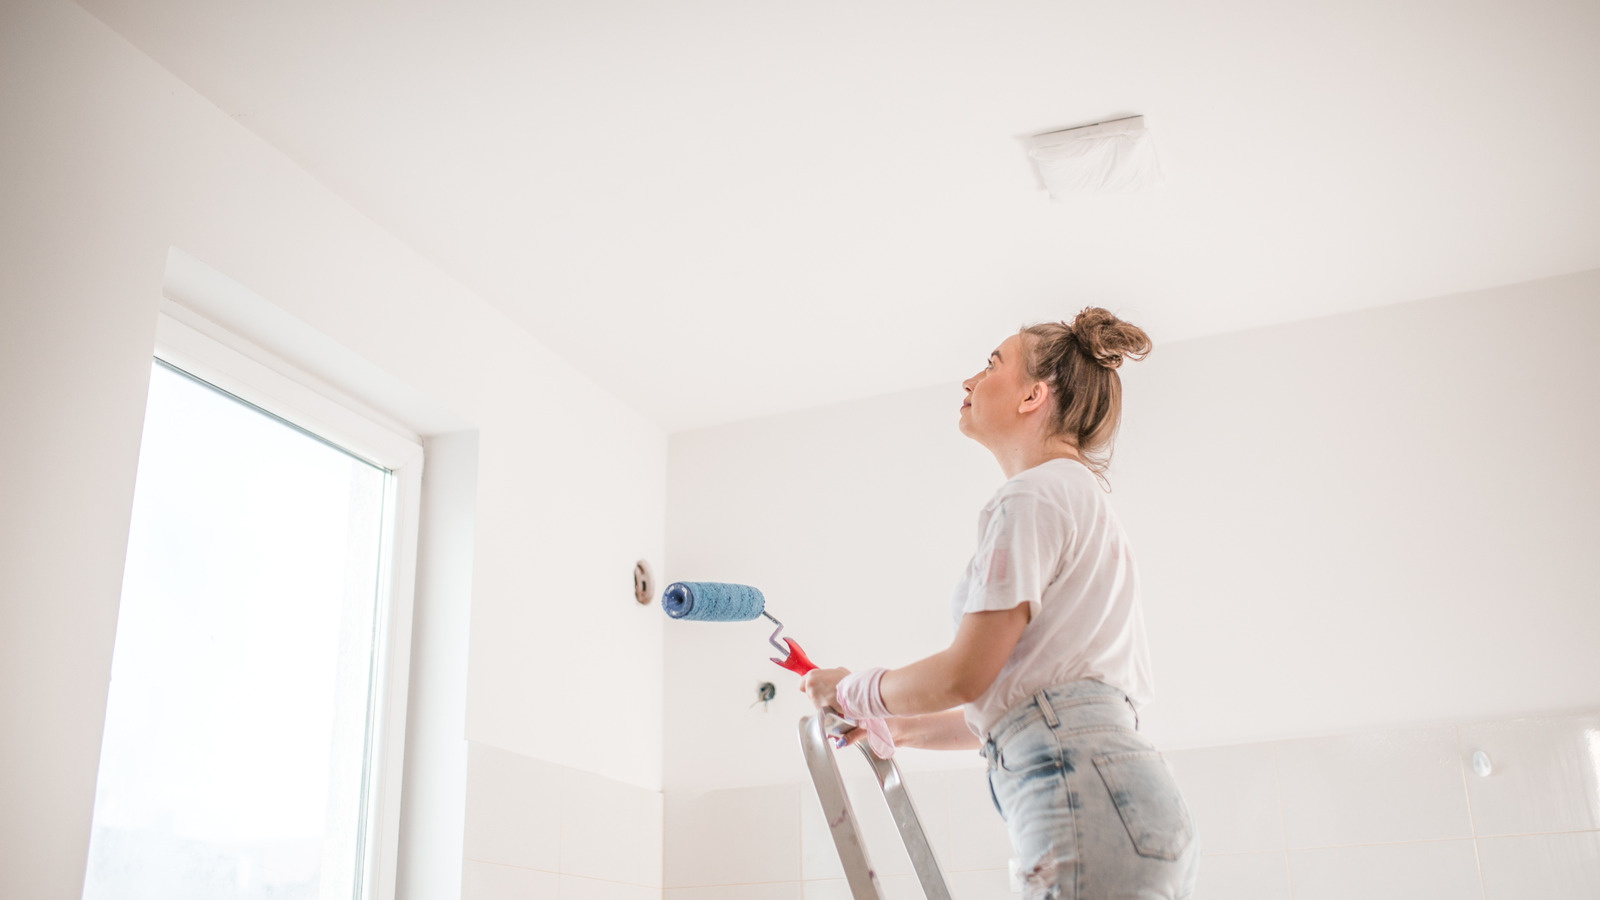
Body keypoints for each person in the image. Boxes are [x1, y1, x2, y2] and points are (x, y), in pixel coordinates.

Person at [800, 308, 1199, 900]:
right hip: (1124, 797)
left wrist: (850, 690)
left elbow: (966, 674)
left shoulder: (1031, 498)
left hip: (1085, 793)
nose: (969, 381)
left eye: (991, 365)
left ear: (1034, 395)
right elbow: (1019, 700)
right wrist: (899, 729)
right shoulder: (1073, 498)